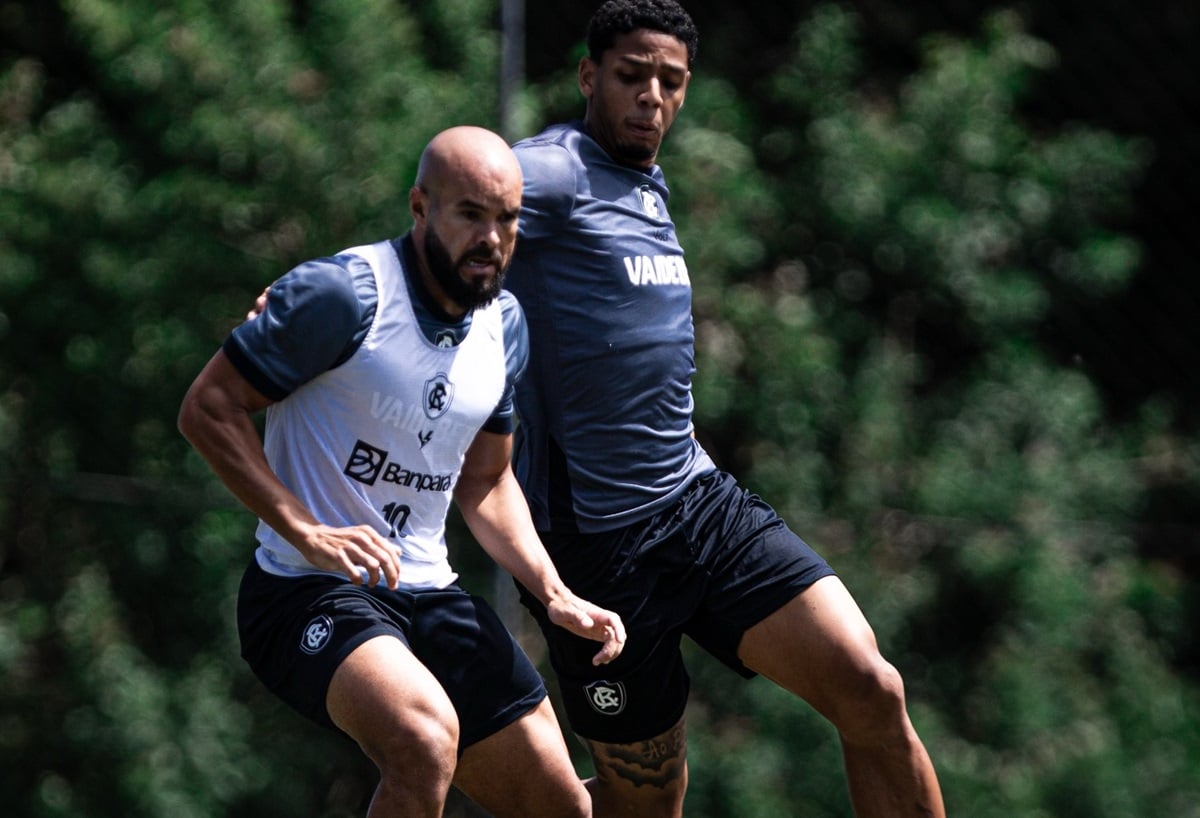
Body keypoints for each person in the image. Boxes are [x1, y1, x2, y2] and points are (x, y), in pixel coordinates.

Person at [503, 2, 947, 817]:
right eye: (632, 77)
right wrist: (348, 297)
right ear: (588, 76)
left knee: (872, 690)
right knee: (650, 808)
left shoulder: (647, 182)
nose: (651, 98)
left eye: (670, 82)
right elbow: (460, 194)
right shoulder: (559, 170)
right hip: (599, 557)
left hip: (700, 507)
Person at [178, 125, 626, 818]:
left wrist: (552, 590)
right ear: (420, 208)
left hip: (427, 594)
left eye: (506, 218)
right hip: (305, 591)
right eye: (469, 214)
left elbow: (487, 482)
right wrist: (307, 530)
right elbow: (208, 409)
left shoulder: (505, 326)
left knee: (565, 806)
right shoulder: (341, 295)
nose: (491, 237)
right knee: (424, 737)